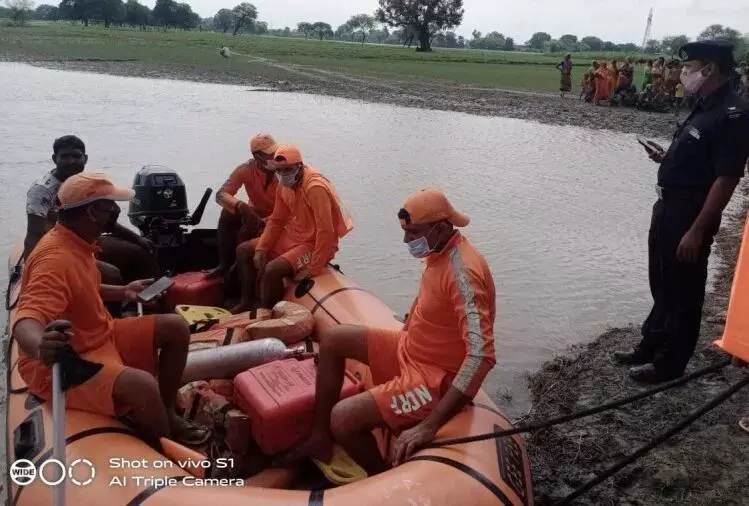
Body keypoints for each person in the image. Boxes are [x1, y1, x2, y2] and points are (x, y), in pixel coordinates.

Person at [275, 188, 497, 475]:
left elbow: (482, 355)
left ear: (440, 227)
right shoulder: (439, 250)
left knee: (343, 418)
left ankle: (381, 475)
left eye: (413, 233)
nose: (406, 240)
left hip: (435, 376)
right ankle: (319, 437)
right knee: (334, 338)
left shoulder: (464, 273)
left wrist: (431, 425)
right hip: (410, 348)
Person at [12, 173, 211, 447]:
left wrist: (125, 291)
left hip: (98, 333)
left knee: (175, 328)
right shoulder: (55, 259)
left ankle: (166, 412)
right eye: (111, 207)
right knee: (142, 386)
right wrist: (41, 347)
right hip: (68, 358)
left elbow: (82, 287)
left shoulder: (78, 242)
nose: (117, 213)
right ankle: (165, 449)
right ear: (93, 212)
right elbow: (26, 321)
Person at [614, 40, 749, 383]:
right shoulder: (703, 105)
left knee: (683, 289)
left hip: (691, 212)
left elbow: (727, 178)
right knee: (661, 280)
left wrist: (697, 230)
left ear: (710, 69)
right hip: (668, 205)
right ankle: (650, 345)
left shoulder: (732, 113)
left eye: (690, 68)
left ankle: (669, 364)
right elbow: (699, 157)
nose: (684, 74)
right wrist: (667, 158)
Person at [23, 135, 159, 286]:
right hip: (60, 247)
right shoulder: (42, 190)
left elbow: (106, 221)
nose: (71, 161)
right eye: (65, 156)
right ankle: (109, 307)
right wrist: (32, 272)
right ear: (55, 158)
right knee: (111, 274)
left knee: (140, 252)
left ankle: (152, 301)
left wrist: (137, 238)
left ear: (85, 158)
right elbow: (34, 235)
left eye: (76, 156)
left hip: (88, 240)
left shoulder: (87, 183)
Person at [232, 145, 352, 315]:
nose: (282, 174)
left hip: (315, 241)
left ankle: (267, 314)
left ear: (299, 167)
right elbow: (277, 220)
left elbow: (326, 231)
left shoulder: (315, 188)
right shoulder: (283, 185)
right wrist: (262, 248)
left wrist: (314, 267)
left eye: (288, 169)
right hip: (295, 233)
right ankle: (246, 302)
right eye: (279, 170)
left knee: (273, 270)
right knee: (243, 250)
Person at [206, 133, 280, 279]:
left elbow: (293, 206)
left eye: (275, 152)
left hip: (279, 217)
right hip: (255, 213)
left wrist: (268, 220)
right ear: (257, 156)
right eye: (270, 154)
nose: (274, 157)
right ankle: (224, 264)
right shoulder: (245, 169)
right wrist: (241, 207)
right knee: (227, 213)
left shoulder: (284, 171)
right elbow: (220, 195)